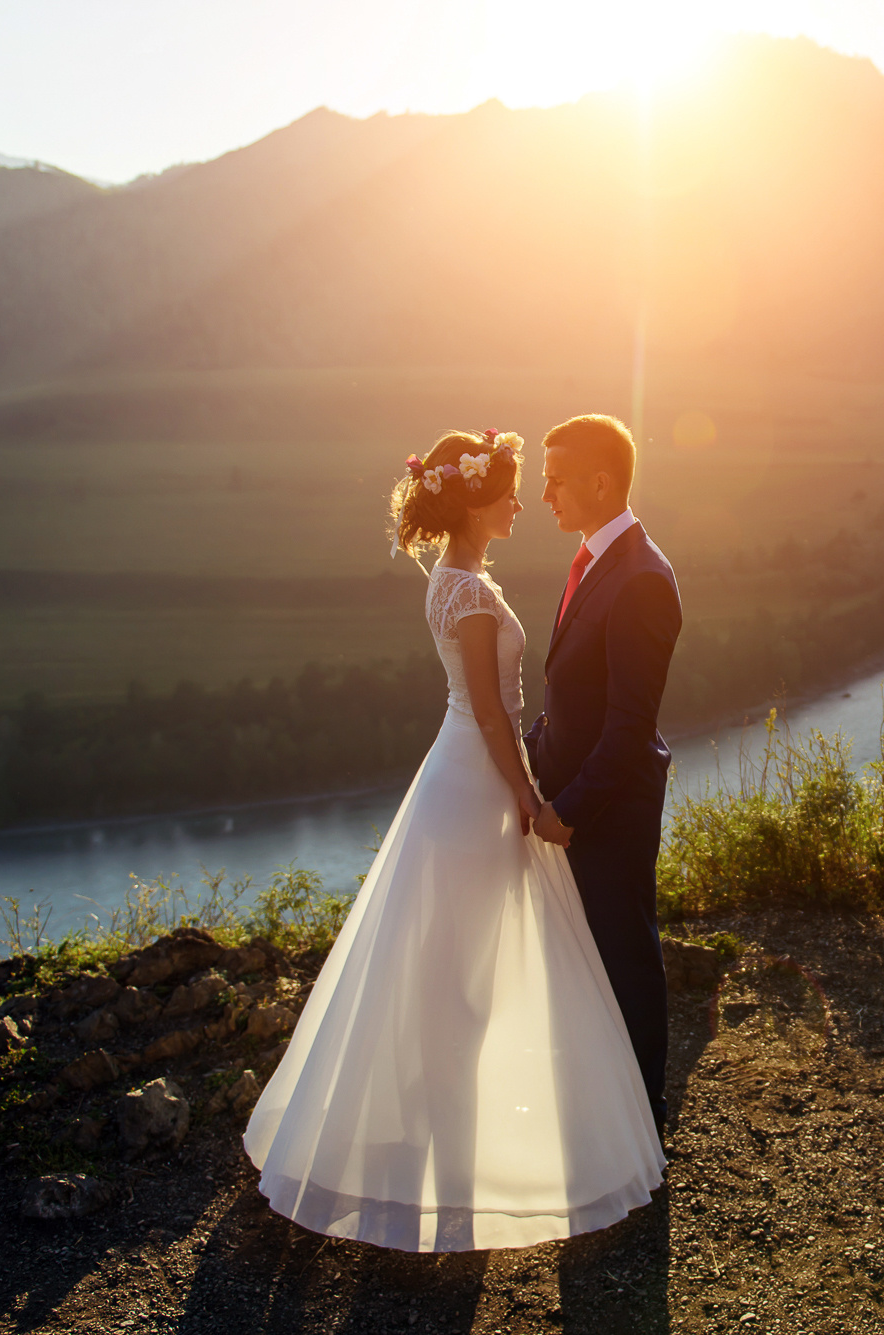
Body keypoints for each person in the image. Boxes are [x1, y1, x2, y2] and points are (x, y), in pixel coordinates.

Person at [243, 428, 664, 1253]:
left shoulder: (455, 580)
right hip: (475, 784)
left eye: (534, 486)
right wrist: (525, 792)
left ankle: (439, 1140)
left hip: (458, 776)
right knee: (461, 974)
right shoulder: (468, 594)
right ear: (474, 500)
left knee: (443, 964)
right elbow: (488, 711)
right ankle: (448, 1161)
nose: (524, 502)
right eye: (511, 490)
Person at [524, 414, 684, 1132]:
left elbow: (626, 729)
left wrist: (570, 811)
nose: (544, 491)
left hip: (608, 811)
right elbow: (571, 699)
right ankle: (595, 1114)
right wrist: (522, 761)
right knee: (580, 961)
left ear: (600, 481)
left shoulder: (643, 578)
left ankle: (642, 1129)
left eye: (556, 477)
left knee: (624, 957)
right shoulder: (592, 559)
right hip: (566, 795)